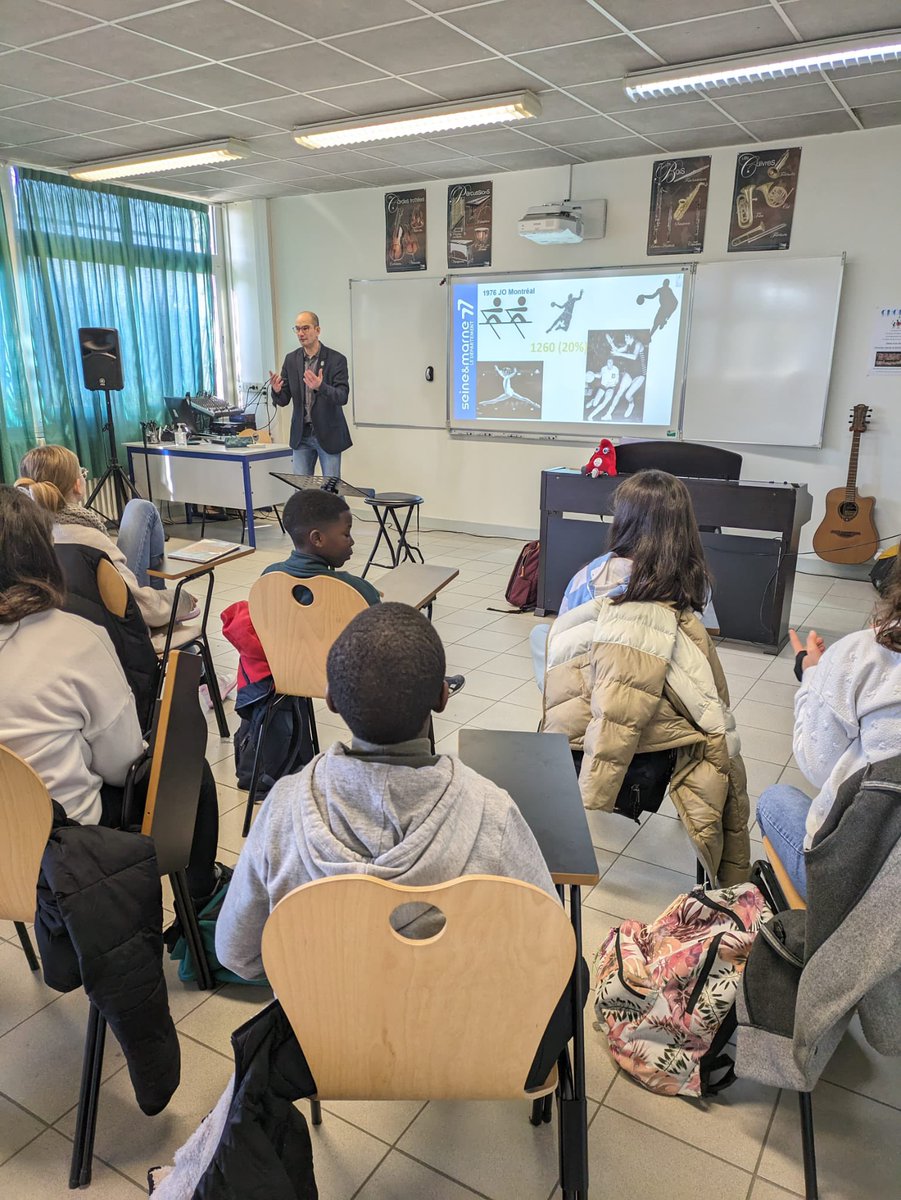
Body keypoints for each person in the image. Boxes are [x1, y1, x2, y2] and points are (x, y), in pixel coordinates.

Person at [216, 602, 581, 1088]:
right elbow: (546, 949)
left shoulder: (282, 810)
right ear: (442, 698)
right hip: (469, 1046)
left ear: (329, 699)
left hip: (333, 1050)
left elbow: (235, 953)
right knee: (574, 967)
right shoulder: (492, 812)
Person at [0, 486, 221, 901]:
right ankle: (201, 901)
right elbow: (122, 764)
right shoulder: (74, 637)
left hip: (8, 847)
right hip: (64, 847)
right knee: (193, 772)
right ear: (39, 553)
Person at [541, 470, 750, 884]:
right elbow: (704, 661)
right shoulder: (695, 584)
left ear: (625, 520)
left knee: (542, 640)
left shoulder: (589, 577)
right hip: (667, 741)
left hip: (586, 730)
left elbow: (564, 649)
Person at [755, 558, 901, 898]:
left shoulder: (865, 652)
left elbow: (817, 764)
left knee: (774, 799)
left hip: (855, 886)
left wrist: (812, 673)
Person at [16, 444, 195, 634]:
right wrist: (181, 599)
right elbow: (141, 607)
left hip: (57, 630)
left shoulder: (23, 535)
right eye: (83, 474)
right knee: (143, 508)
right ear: (78, 485)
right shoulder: (90, 540)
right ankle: (166, 611)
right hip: (116, 633)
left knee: (140, 508)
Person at [263, 487, 381, 605]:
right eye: (346, 534)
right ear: (317, 539)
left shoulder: (268, 577)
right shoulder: (358, 590)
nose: (352, 542)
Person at [269, 311, 352, 479]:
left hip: (328, 433)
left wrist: (321, 386)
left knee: (331, 490)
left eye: (305, 328)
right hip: (302, 435)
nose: (301, 333)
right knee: (301, 490)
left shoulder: (336, 359)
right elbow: (284, 400)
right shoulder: (291, 360)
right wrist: (277, 390)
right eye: (298, 329)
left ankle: (339, 507)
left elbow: (342, 396)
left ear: (318, 330)